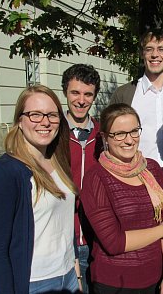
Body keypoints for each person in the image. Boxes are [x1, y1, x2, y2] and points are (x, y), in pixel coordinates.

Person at [0, 85, 80, 293]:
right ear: (20, 120)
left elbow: (63, 224)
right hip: (35, 283)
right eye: (35, 114)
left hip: (68, 275)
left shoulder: (58, 160)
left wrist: (76, 271)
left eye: (52, 115)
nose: (45, 122)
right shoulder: (6, 174)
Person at [81, 103, 163, 294]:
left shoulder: (153, 170)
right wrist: (160, 231)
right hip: (115, 282)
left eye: (134, 131)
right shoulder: (96, 178)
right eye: (119, 134)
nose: (129, 140)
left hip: (154, 277)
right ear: (105, 137)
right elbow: (114, 242)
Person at [109, 29, 163, 166]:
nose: (155, 54)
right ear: (142, 53)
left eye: (162, 49)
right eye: (149, 49)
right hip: (136, 173)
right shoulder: (124, 94)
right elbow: (109, 136)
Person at [62, 63, 102, 294]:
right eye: (75, 92)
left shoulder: (104, 135)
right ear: (65, 92)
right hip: (61, 236)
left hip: (95, 236)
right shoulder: (52, 133)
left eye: (88, 94)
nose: (81, 100)